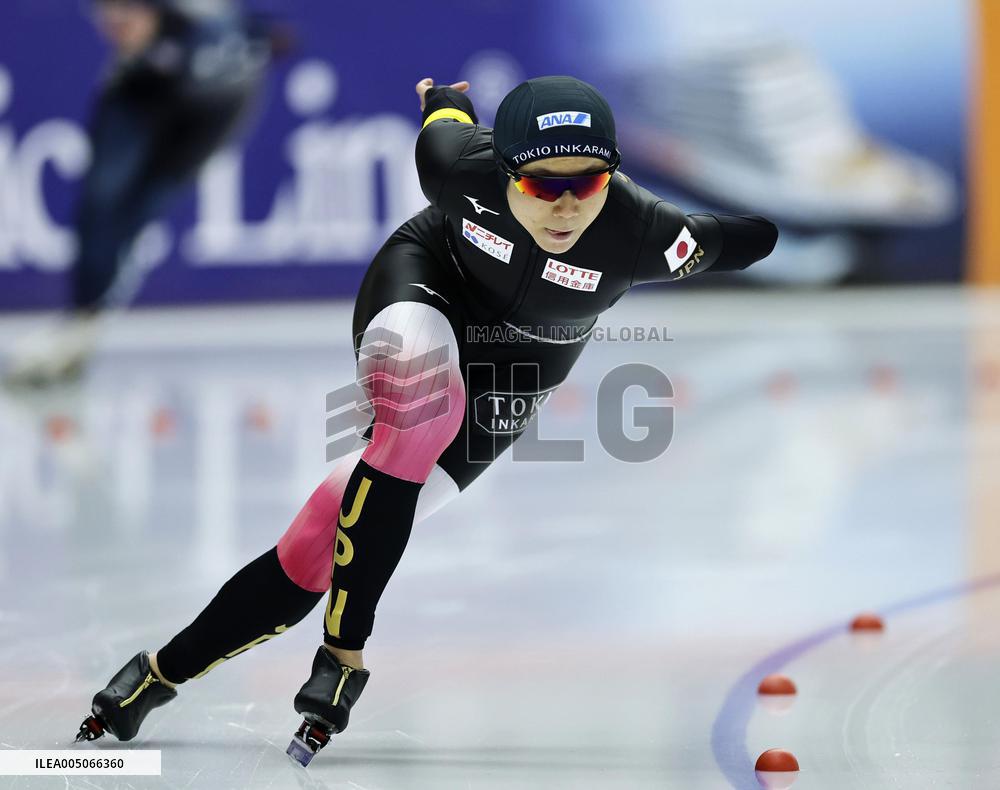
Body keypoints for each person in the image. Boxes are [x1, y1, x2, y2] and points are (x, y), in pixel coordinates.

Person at [74, 75, 779, 764]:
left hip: (519, 372)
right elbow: (446, 119)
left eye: (587, 184)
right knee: (418, 415)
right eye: (542, 186)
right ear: (503, 171)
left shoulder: (646, 233)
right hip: (424, 285)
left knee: (319, 539)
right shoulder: (455, 168)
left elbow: (749, 237)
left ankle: (156, 674)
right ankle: (343, 654)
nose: (566, 207)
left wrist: (769, 220)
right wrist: (445, 100)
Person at [4, 0, 274, 387]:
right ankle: (83, 317)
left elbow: (246, 74)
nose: (111, 24)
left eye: (124, 15)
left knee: (135, 213)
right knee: (100, 200)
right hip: (149, 88)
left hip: (208, 113)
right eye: (104, 13)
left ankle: (86, 321)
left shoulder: (211, 37)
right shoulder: (140, 61)